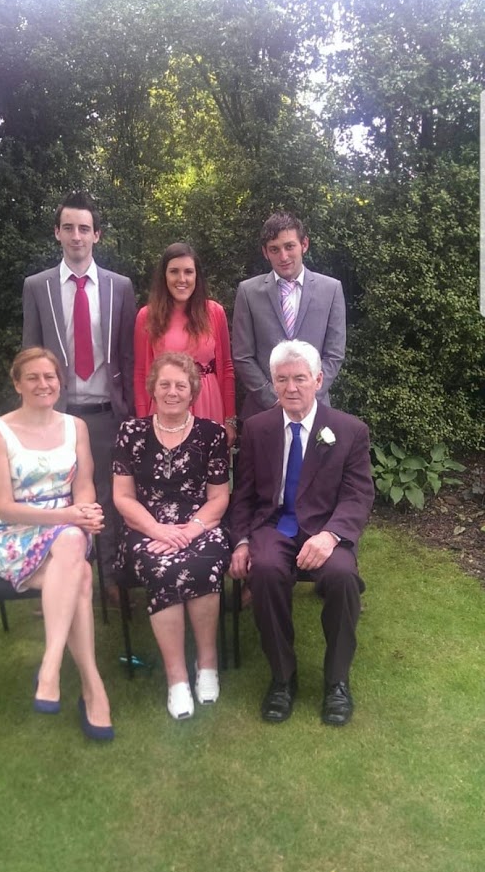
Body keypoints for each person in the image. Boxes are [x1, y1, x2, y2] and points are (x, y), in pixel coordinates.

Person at [229, 340, 374, 726]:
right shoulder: (257, 428)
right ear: (272, 383)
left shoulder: (349, 430)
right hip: (273, 525)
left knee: (342, 575)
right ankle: (283, 677)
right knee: (264, 570)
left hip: (324, 528)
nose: (290, 387)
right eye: (282, 379)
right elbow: (243, 494)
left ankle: (337, 680)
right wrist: (240, 541)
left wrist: (331, 536)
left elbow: (358, 495)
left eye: (299, 378)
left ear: (318, 380)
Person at [0, 348, 114, 740]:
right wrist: (71, 517)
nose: (43, 384)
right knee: (80, 572)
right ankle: (89, 686)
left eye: (50, 377)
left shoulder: (75, 427)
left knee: (72, 550)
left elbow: (83, 484)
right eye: (33, 377)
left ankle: (53, 669)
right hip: (12, 533)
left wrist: (84, 510)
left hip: (65, 529)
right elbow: (4, 507)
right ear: (17, 383)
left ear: (60, 382)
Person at [22, 191, 136, 596]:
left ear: (96, 235)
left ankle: (110, 577)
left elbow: (128, 354)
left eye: (84, 229)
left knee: (107, 493)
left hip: (106, 413)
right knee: (56, 495)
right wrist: (33, 413)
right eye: (68, 227)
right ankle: (61, 575)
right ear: (57, 232)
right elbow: (31, 353)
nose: (76, 236)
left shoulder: (120, 287)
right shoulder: (37, 287)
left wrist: (131, 412)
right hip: (59, 414)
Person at [113, 352, 231, 721]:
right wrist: (157, 530)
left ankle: (207, 664)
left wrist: (191, 530)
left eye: (180, 385)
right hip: (145, 529)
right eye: (164, 384)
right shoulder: (131, 433)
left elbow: (219, 498)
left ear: (193, 391)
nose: (172, 391)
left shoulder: (212, 434)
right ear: (153, 388)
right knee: (161, 567)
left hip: (200, 526)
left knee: (205, 561)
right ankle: (177, 678)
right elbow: (122, 497)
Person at [232, 212, 346, 419]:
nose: (283, 257)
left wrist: (308, 395)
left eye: (289, 246)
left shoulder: (331, 290)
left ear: (304, 244)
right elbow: (243, 356)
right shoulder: (248, 292)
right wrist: (273, 398)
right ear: (265, 252)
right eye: (274, 249)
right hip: (264, 411)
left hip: (315, 409)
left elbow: (334, 354)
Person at [133, 242, 237, 447]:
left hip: (208, 403)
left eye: (188, 272)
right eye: (174, 271)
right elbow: (140, 374)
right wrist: (143, 421)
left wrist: (230, 419)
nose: (182, 279)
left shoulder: (214, 312)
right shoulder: (147, 316)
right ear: (164, 276)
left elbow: (226, 368)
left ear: (197, 276)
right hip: (166, 404)